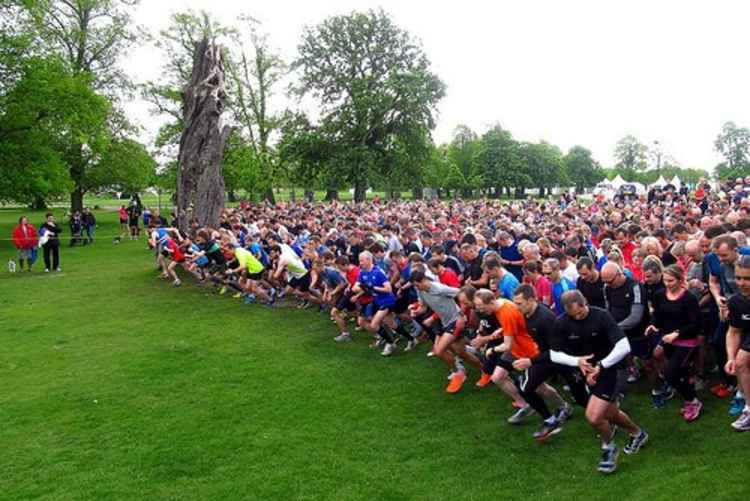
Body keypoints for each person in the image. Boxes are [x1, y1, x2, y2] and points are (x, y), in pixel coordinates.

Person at [551, 290, 648, 474]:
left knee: (594, 417)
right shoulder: (561, 322)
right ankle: (638, 433)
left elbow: (623, 346)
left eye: (580, 313)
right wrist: (577, 361)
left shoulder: (602, 316)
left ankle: (609, 447)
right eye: (573, 316)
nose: (577, 318)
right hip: (586, 370)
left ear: (585, 302)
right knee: (610, 412)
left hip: (609, 368)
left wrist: (601, 366)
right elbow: (554, 354)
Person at [645, 264, 703, 420]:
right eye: (665, 280)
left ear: (680, 280)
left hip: (686, 341)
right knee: (679, 372)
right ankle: (688, 396)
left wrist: (677, 334)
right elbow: (658, 315)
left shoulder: (689, 298)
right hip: (668, 340)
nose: (667, 284)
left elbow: (696, 324)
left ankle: (693, 400)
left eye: (671, 281)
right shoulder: (660, 295)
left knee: (671, 374)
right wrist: (653, 324)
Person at [726, 255, 750, 431]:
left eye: (747, 279)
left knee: (742, 361)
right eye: (738, 278)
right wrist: (730, 358)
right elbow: (734, 331)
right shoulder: (736, 301)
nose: (741, 283)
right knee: (739, 362)